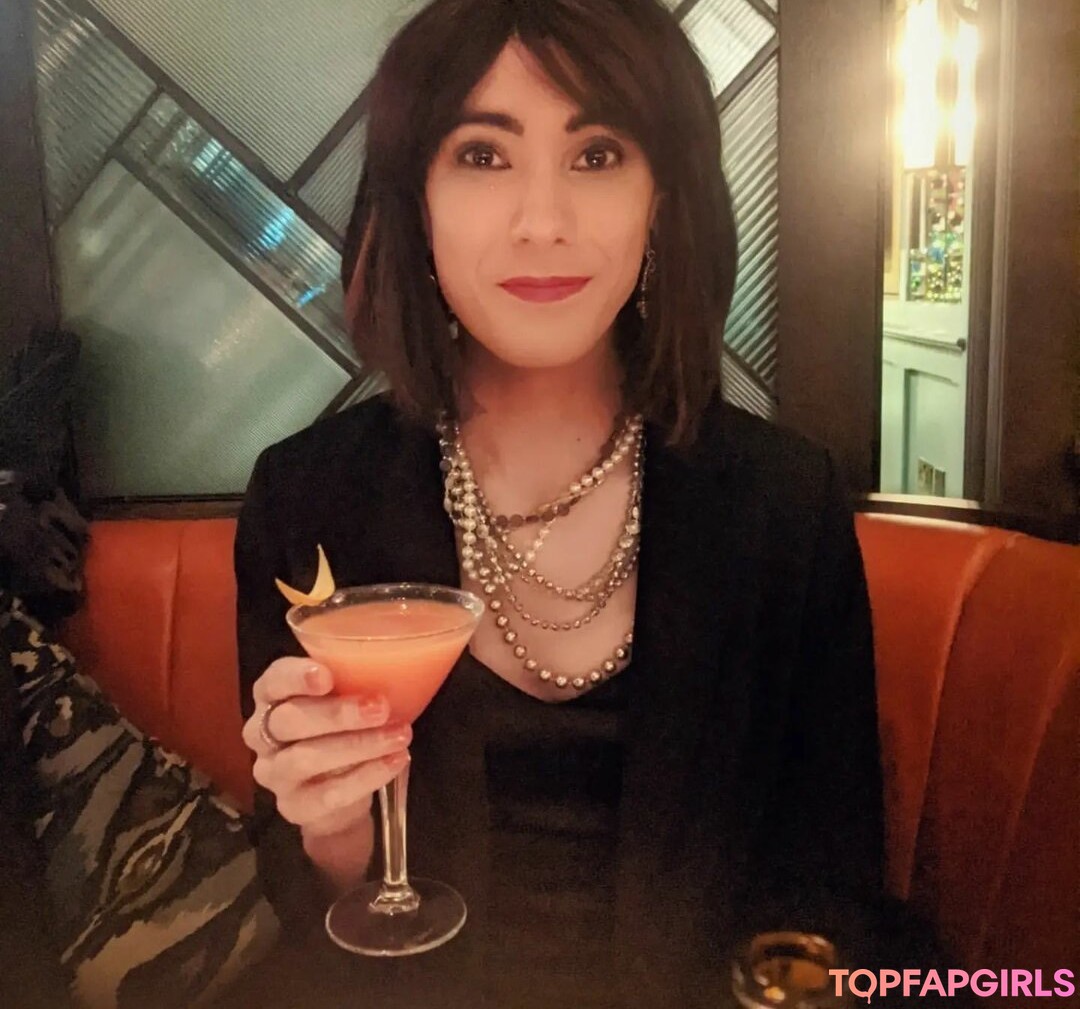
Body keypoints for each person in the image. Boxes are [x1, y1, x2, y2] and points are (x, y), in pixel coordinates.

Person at [233, 2, 951, 1006]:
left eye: (598, 154)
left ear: (662, 198)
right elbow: (312, 908)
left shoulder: (783, 503)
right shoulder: (309, 496)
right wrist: (333, 825)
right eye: (483, 155)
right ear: (416, 201)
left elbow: (824, 883)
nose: (543, 221)